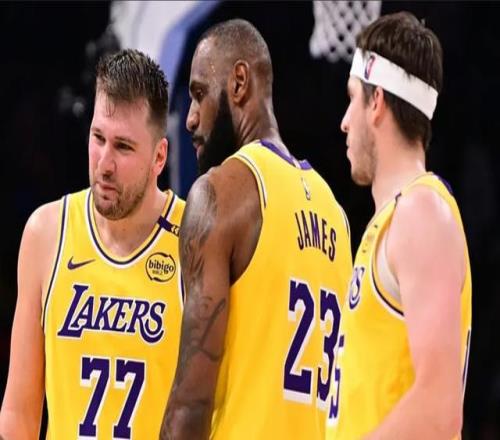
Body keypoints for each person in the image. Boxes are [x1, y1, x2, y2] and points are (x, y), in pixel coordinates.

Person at [160, 19, 352, 440]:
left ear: (239, 82)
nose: (190, 118)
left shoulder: (221, 193)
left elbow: (192, 402)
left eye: (198, 94)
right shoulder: (335, 215)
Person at [0, 49, 185, 439]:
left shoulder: (195, 239)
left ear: (159, 157)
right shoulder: (46, 233)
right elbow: (19, 410)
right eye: (98, 137)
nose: (104, 163)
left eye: (123, 147)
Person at [326, 11, 472, 439]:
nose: (344, 120)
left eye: (352, 98)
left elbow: (439, 407)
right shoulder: (393, 221)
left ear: (376, 103)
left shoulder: (421, 213)